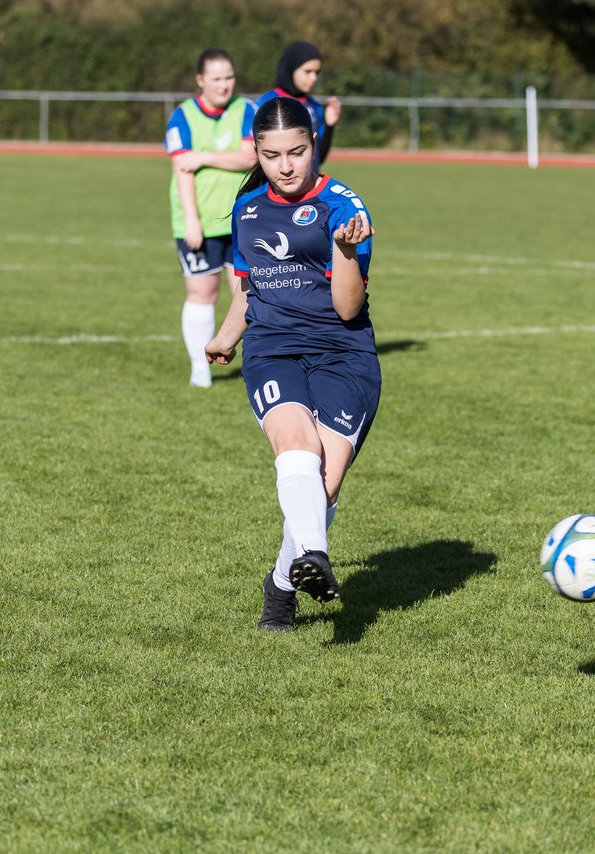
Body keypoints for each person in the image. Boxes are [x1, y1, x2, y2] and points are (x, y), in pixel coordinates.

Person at [205, 97, 378, 632]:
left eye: (297, 152)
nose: (285, 165)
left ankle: (282, 583)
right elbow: (247, 288)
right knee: (295, 446)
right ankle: (316, 559)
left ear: (314, 147)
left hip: (343, 352)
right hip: (272, 347)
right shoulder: (248, 207)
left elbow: (348, 308)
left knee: (321, 486)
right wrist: (227, 336)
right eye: (273, 154)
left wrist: (347, 254)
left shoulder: (344, 209)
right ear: (256, 150)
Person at [165, 48, 257, 388]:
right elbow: (182, 169)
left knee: (250, 294)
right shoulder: (183, 117)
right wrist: (192, 219)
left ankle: (256, 364)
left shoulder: (246, 109)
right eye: (216, 78)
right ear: (200, 80)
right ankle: (200, 367)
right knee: (202, 293)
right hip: (199, 221)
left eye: (229, 77)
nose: (224, 85)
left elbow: (251, 156)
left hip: (242, 219)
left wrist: (202, 155)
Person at [255, 41, 341, 169]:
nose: (314, 78)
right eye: (308, 71)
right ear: (291, 69)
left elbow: (318, 157)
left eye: (317, 72)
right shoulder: (266, 103)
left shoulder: (315, 106)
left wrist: (329, 125)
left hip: (309, 186)